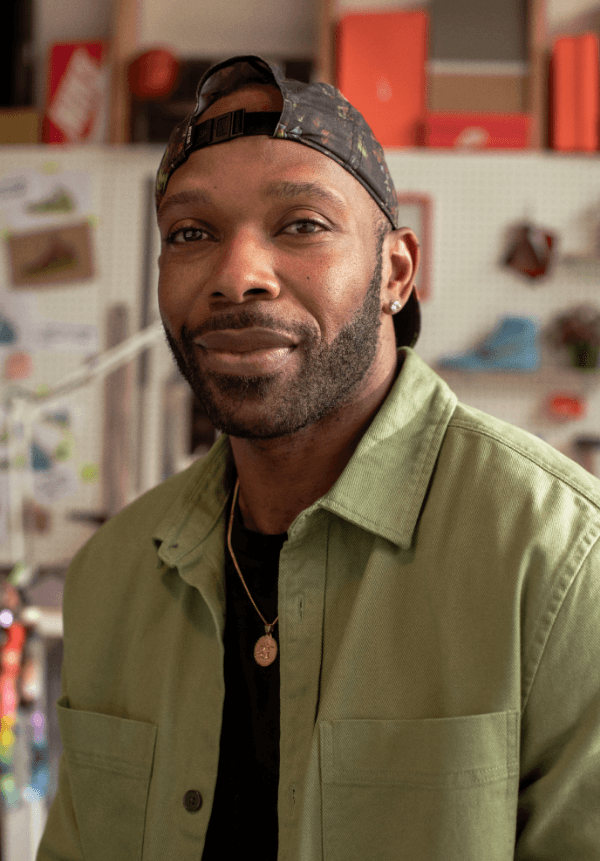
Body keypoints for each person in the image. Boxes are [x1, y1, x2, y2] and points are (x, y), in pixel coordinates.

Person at [37, 56, 600, 861]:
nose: (238, 276)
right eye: (191, 233)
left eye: (301, 224)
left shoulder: (560, 561)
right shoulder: (112, 578)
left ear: (395, 272)